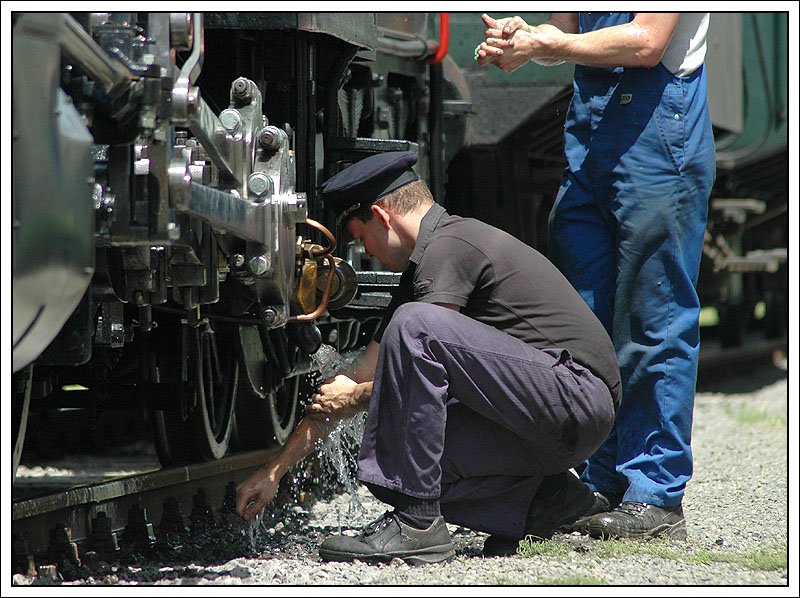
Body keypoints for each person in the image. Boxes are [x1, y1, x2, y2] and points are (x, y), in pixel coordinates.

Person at [236, 150, 620, 564]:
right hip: (541, 422)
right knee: (390, 462)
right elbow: (350, 383)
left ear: (382, 217)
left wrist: (356, 398)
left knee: (416, 325)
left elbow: (401, 366)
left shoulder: (453, 245)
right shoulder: (421, 273)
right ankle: (549, 502)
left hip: (574, 398)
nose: (365, 252)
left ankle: (418, 525)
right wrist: (275, 471)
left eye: (360, 237)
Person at [476, 13, 716, 540]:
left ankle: (655, 494)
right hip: (590, 134)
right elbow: (567, 24)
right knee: (582, 322)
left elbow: (647, 41)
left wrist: (551, 44)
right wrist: (528, 40)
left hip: (657, 124)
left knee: (654, 318)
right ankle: (598, 479)